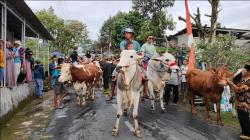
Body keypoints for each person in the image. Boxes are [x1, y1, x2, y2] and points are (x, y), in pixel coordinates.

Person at [228, 63, 250, 139]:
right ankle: (244, 132)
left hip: (247, 102)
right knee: (240, 117)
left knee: (245, 118)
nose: (242, 72)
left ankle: (248, 134)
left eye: (244, 71)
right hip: (240, 101)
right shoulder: (242, 79)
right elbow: (237, 88)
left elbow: (239, 90)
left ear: (248, 72)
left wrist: (230, 83)